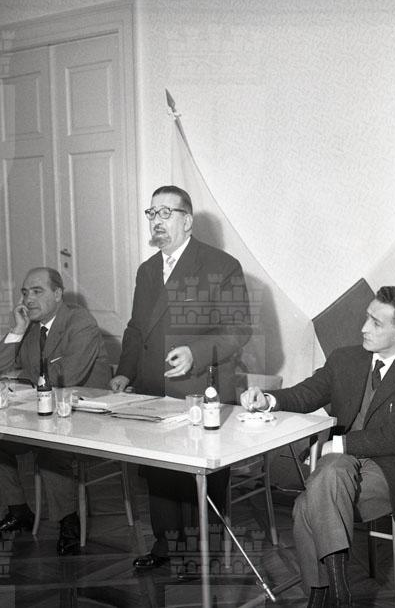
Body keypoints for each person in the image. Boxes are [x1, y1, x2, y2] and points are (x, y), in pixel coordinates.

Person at [241, 286, 395, 608]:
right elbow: (306, 394)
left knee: (306, 504)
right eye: (367, 318)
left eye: (376, 323)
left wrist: (341, 443)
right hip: (338, 468)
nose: (364, 328)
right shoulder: (345, 359)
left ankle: (321, 598)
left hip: (392, 472)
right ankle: (340, 595)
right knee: (331, 472)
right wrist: (267, 399)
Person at [110, 185, 251, 571]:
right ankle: (166, 546)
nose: (156, 221)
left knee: (201, 477)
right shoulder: (147, 270)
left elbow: (238, 330)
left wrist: (196, 353)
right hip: (154, 391)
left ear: (187, 221)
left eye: (165, 213)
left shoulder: (221, 265)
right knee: (160, 473)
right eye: (151, 213)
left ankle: (205, 554)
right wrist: (124, 372)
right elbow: (136, 328)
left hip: (202, 391)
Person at [0, 267, 110, 556]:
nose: (29, 299)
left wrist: (22, 378)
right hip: (43, 413)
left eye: (37, 291)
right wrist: (17, 329)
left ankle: (68, 521)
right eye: (25, 292)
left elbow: (67, 376)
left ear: (58, 294)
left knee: (51, 447)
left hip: (85, 416)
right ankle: (19, 511)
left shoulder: (80, 321)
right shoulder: (31, 326)